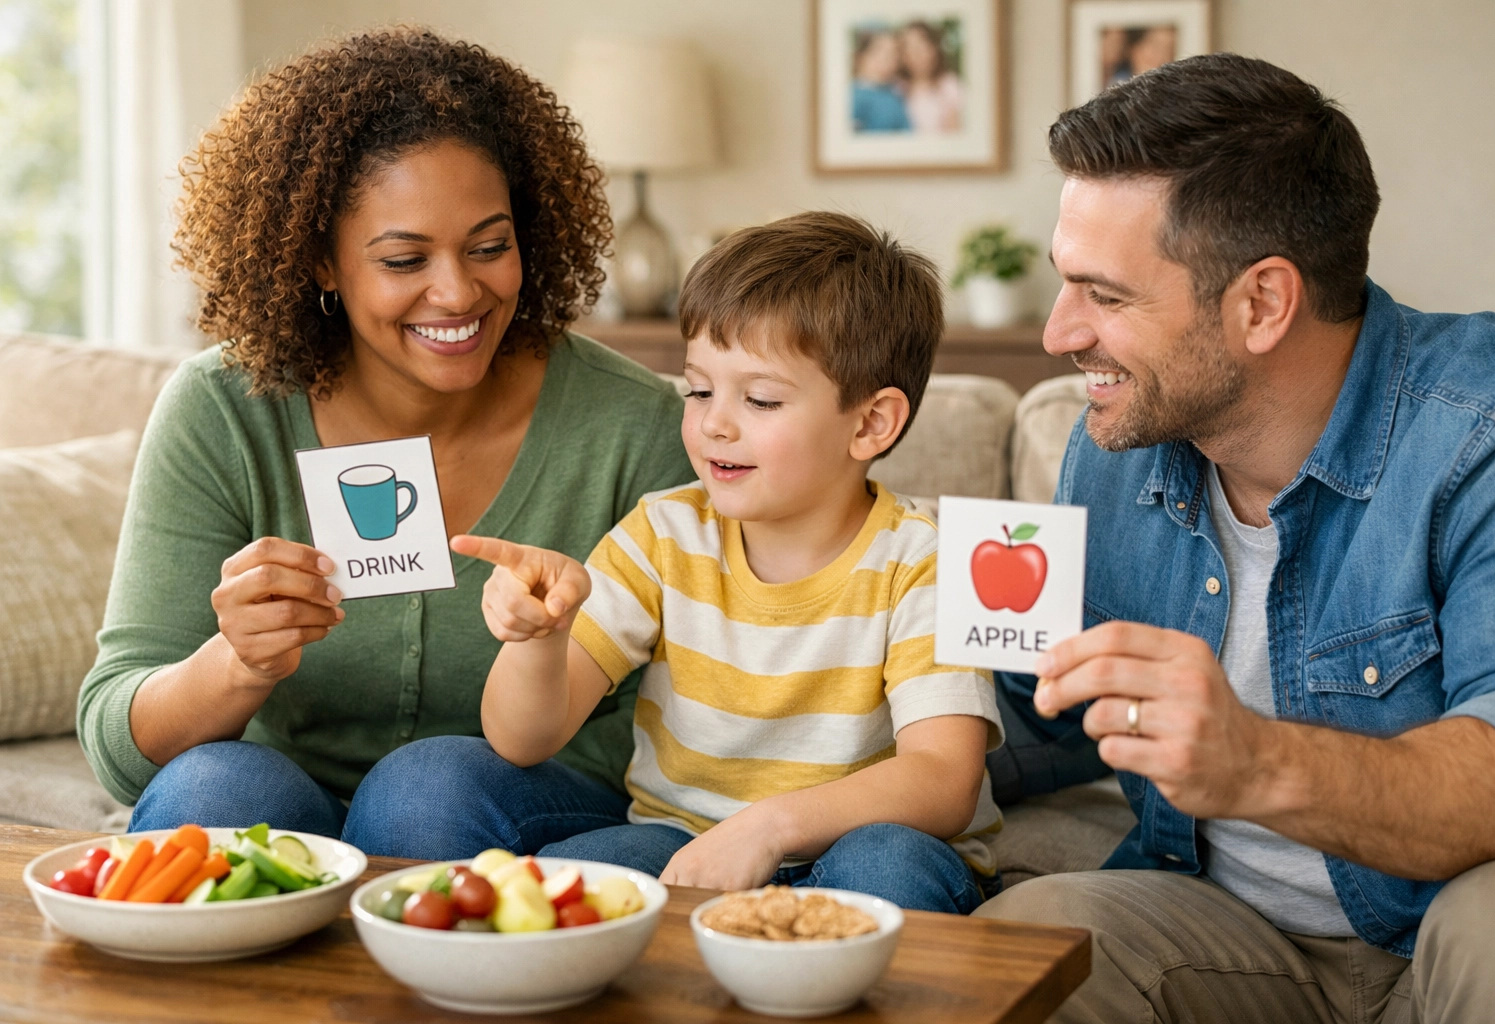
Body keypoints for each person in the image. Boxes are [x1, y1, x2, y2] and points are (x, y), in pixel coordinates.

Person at [975, 54, 1495, 1022]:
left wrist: (1255, 759)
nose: (1062, 332)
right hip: (1223, 934)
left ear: (1263, 303)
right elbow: (1033, 717)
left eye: (1105, 296)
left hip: (1447, 924)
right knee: (1037, 932)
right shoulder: (1115, 445)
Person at [76, 28, 696, 859]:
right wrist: (234, 665)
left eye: (490, 246)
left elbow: (681, 722)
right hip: (278, 790)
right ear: (321, 262)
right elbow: (118, 748)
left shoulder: (636, 425)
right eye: (405, 259)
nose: (459, 291)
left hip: (520, 803)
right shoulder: (224, 411)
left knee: (426, 793)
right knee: (213, 790)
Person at [452, 213, 1005, 913]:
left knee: (891, 865)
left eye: (761, 398)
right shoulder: (664, 532)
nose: (715, 422)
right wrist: (537, 641)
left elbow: (943, 778)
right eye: (700, 390)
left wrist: (769, 827)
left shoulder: (924, 558)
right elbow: (523, 737)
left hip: (861, 846)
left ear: (870, 424)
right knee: (571, 881)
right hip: (685, 840)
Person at [898, 22, 963, 133]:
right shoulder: (896, 87)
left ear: (934, 49)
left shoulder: (949, 85)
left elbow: (955, 134)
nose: (914, 54)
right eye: (907, 48)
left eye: (920, 47)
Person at [851, 29, 911, 133]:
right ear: (860, 56)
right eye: (879, 51)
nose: (886, 59)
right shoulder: (851, 96)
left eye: (893, 54)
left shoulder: (896, 95)